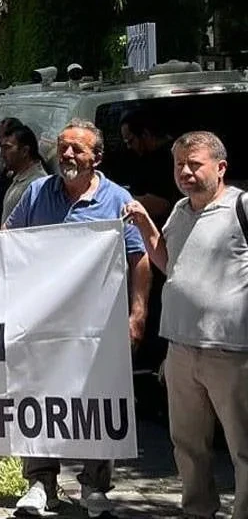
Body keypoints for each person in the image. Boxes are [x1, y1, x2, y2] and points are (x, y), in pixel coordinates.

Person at [6, 119, 151, 519]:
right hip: (41, 322)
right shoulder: (37, 192)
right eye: (63, 147)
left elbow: (138, 260)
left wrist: (137, 314)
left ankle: (94, 486)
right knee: (37, 397)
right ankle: (41, 482)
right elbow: (9, 239)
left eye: (77, 150)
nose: (67, 155)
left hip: (98, 325)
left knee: (101, 399)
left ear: (96, 158)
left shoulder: (117, 199)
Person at [123, 131, 248, 519]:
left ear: (220, 167)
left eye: (195, 164)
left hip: (232, 351)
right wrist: (145, 225)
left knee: (243, 446)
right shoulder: (179, 210)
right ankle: (198, 511)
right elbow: (168, 264)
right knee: (188, 445)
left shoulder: (242, 206)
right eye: (180, 165)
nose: (186, 172)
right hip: (180, 348)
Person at [0, 124, 46, 225]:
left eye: (7, 148)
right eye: (1, 148)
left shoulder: (37, 184)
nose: (2, 154)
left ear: (24, 151)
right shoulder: (19, 177)